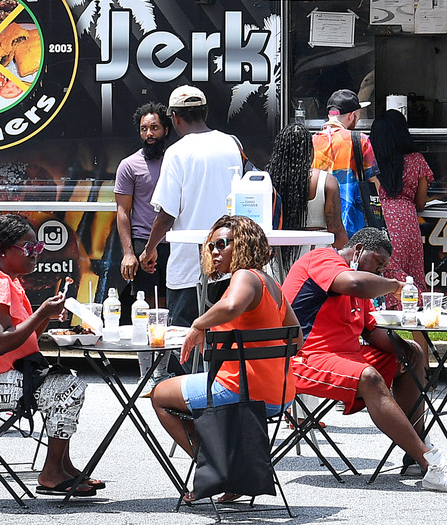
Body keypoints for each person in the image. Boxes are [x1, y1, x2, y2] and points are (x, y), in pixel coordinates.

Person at [285, 228, 447, 493]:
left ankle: (414, 454)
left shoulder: (361, 283)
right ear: (358, 250)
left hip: (345, 354)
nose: (378, 272)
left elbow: (372, 331)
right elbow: (355, 284)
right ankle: (432, 464)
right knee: (368, 377)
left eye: (382, 268)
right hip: (303, 357)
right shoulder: (322, 259)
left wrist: (404, 350)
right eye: (378, 263)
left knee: (412, 353)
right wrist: (394, 286)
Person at [0, 215, 98, 496]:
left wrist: (45, 317)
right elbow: (0, 342)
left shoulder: (7, 280)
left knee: (68, 382)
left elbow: (27, 338)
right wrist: (41, 313)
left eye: (38, 247)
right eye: (28, 248)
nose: (35, 254)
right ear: (3, 250)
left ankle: (62, 466)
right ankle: (52, 473)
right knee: (68, 388)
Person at [150, 216, 301, 499]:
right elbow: (296, 337)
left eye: (222, 244)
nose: (214, 252)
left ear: (243, 245)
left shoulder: (244, 277)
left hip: (240, 391)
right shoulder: (271, 284)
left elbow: (231, 306)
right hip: (280, 396)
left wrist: (198, 325)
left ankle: (219, 469)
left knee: (159, 394)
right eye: (211, 246)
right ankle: (230, 472)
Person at [141, 85, 243, 328]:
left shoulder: (177, 152)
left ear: (175, 118)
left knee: (184, 337)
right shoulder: (232, 144)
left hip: (189, 268)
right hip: (229, 263)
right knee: (223, 336)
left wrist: (149, 250)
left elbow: (167, 215)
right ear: (205, 113)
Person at [114, 101, 170, 323]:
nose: (149, 134)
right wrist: (129, 253)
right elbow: (123, 211)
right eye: (144, 129)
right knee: (146, 307)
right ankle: (147, 347)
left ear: (166, 129)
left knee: (170, 306)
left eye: (154, 128)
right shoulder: (129, 165)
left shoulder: (176, 162)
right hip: (143, 244)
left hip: (175, 244)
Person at [370, 109, 432, 308]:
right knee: (413, 277)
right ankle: (418, 323)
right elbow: (420, 203)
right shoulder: (417, 160)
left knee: (387, 276)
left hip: (381, 222)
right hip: (408, 223)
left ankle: (389, 323)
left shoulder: (371, 163)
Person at [266, 123, 344, 274]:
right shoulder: (326, 181)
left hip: (278, 259)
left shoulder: (267, 180)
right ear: (310, 150)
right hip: (316, 258)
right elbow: (336, 229)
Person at [311, 88, 377, 238]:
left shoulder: (312, 141)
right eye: (358, 117)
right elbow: (373, 181)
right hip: (353, 225)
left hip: (320, 225)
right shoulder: (361, 140)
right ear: (352, 115)